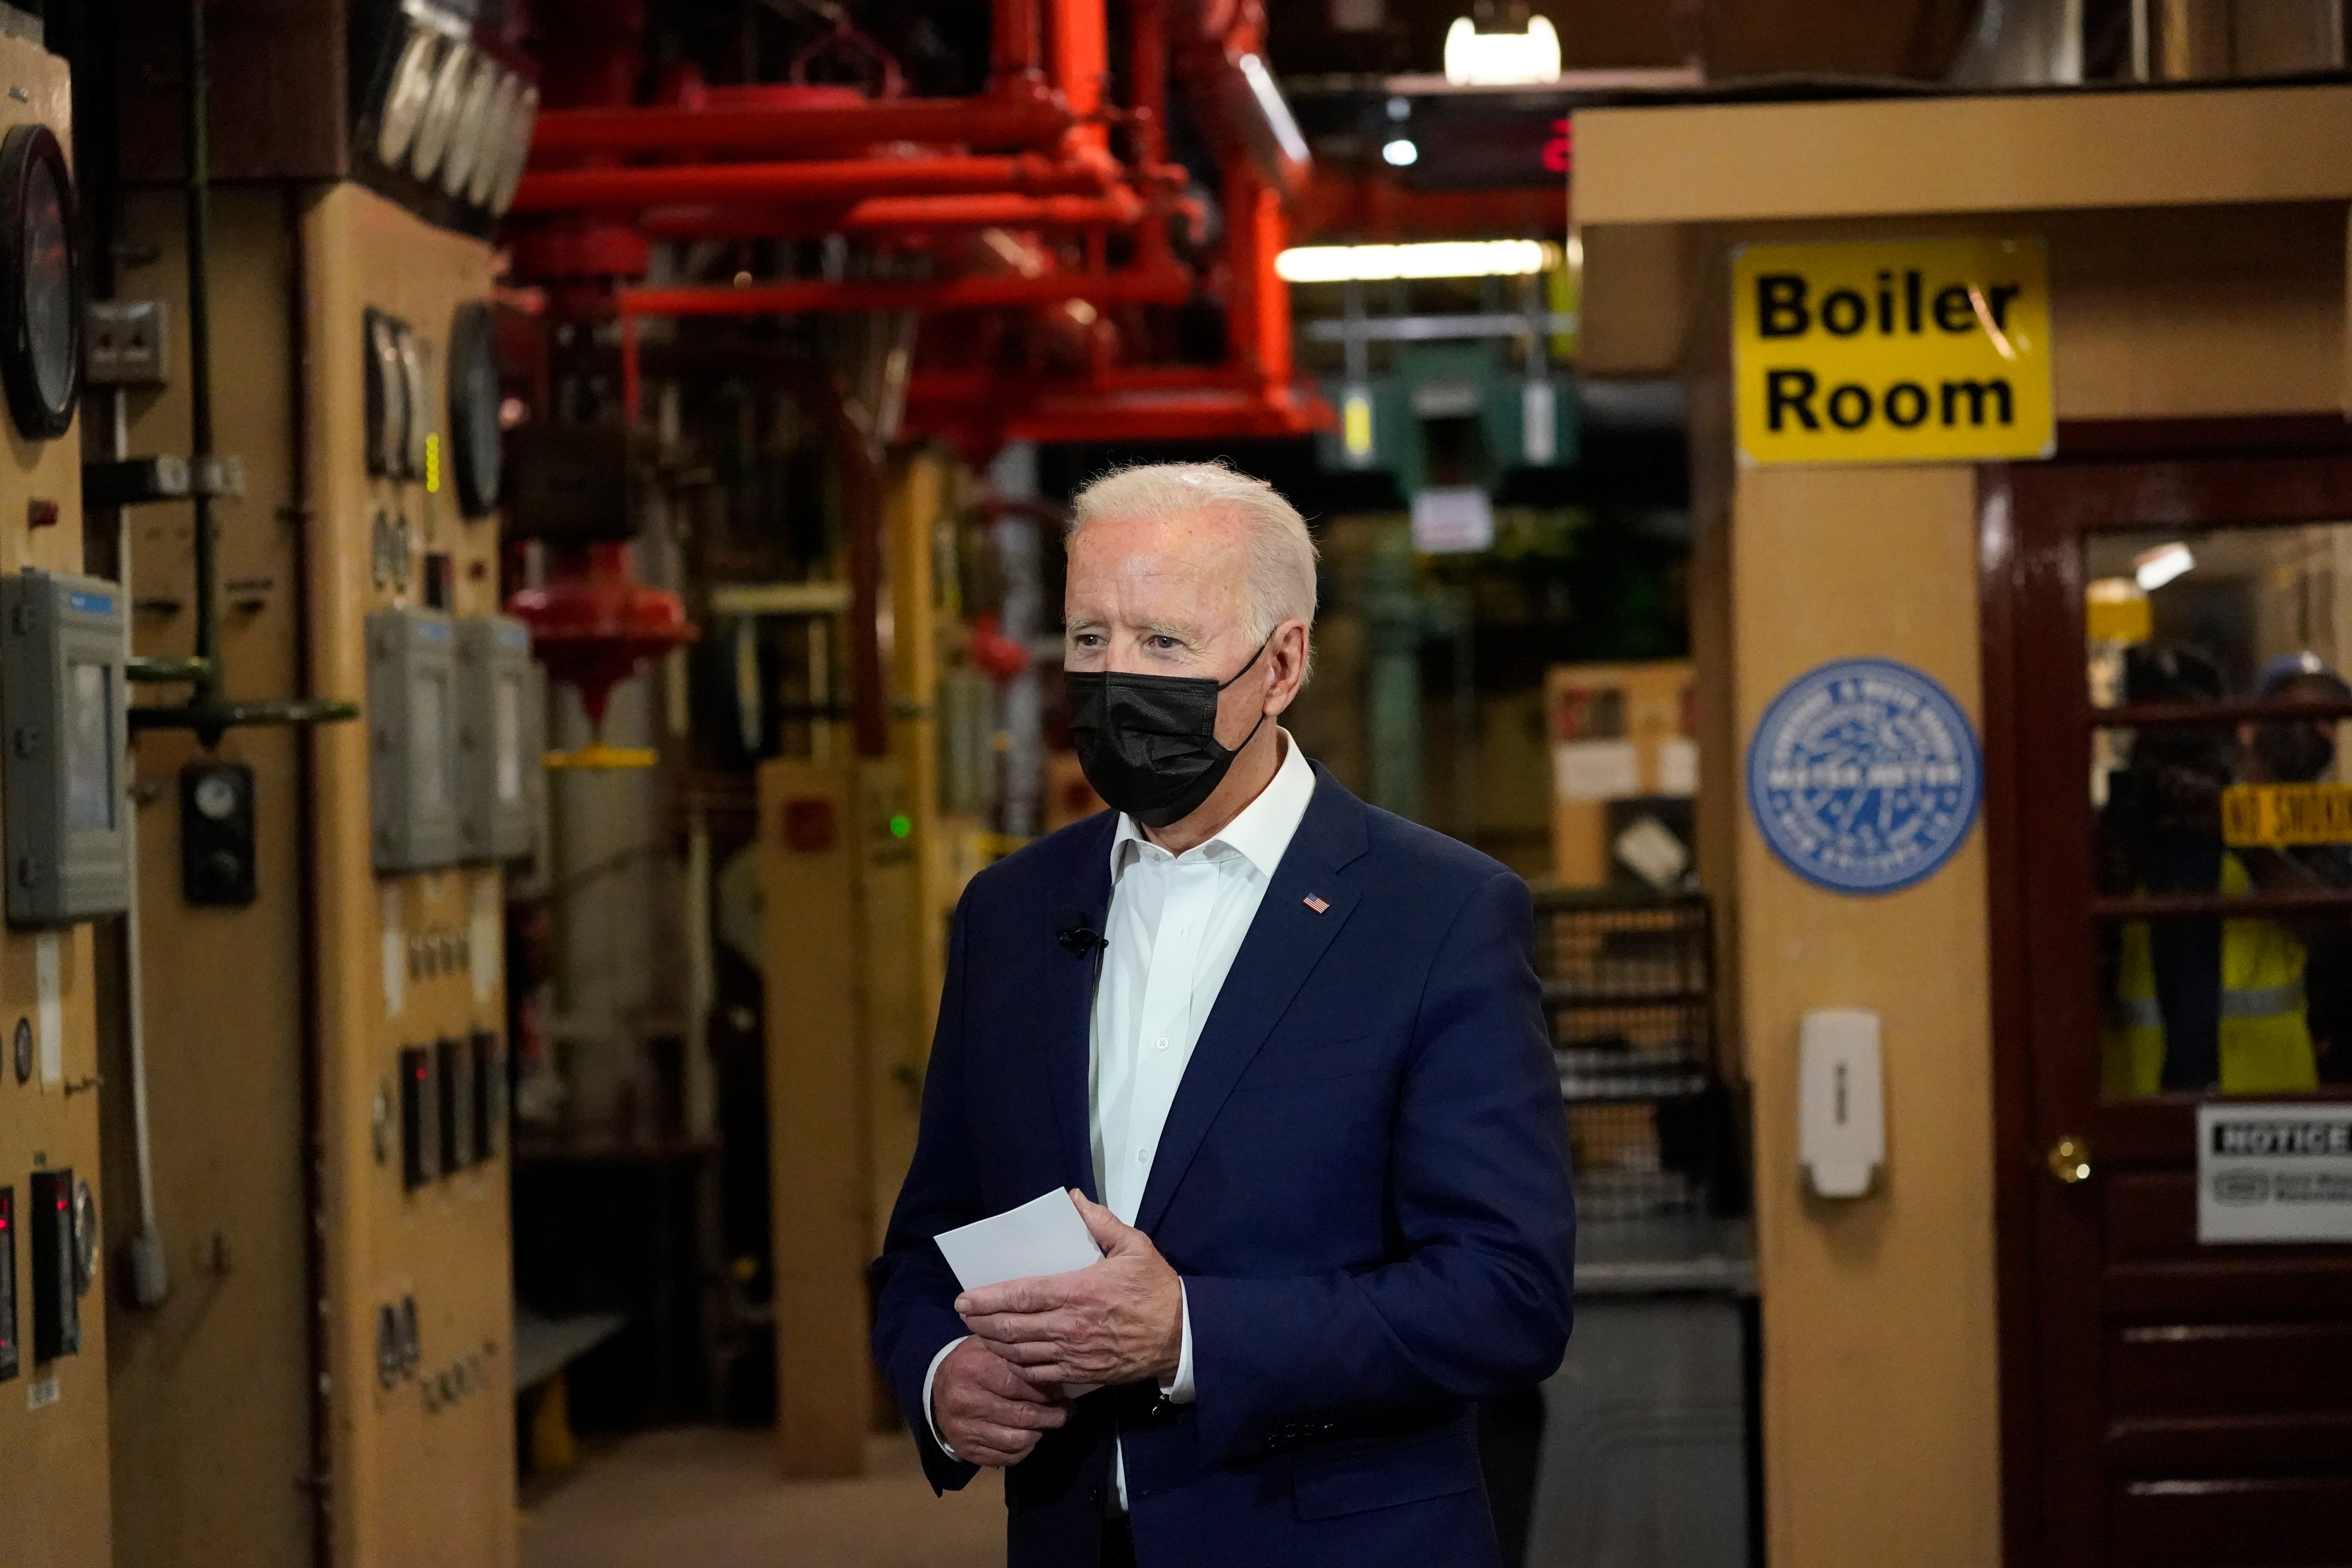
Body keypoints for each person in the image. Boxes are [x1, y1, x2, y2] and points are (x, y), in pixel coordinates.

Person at [869, 461, 1577, 1568]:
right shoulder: (1011, 915)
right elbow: (929, 1239)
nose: (1113, 679)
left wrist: (1189, 1333)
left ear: (1280, 664)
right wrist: (939, 1376)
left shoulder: (1437, 916)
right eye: (1089, 639)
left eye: (1163, 643)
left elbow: (1506, 1295)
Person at [2103, 646, 2340, 1093]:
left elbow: (2332, 935)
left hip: (2266, 1107)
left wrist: (2232, 828)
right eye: (2154, 732)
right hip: (2143, 1101)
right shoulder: (2118, 826)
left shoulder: (2276, 820)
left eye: (2189, 733)